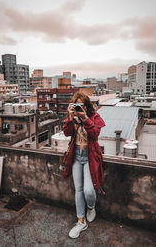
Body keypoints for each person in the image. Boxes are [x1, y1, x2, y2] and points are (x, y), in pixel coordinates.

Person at [63, 92, 105, 239]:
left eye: (82, 105)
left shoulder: (94, 117)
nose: (79, 108)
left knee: (88, 190)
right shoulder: (72, 118)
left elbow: (95, 134)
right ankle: (81, 221)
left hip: (89, 157)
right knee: (79, 189)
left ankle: (91, 207)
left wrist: (84, 118)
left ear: (87, 106)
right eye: (76, 105)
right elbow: (67, 133)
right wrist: (70, 117)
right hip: (76, 156)